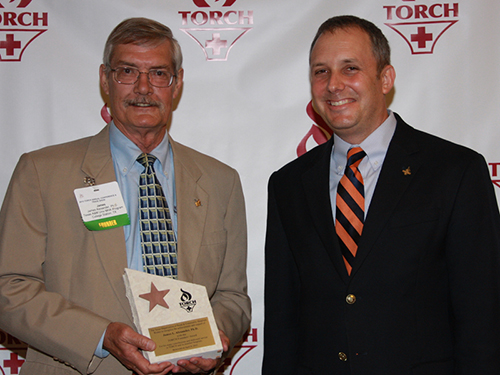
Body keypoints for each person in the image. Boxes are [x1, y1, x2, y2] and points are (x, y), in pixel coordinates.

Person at [0, 17, 251, 375]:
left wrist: (217, 334)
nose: (144, 88)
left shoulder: (220, 181)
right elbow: (9, 288)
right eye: (128, 72)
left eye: (159, 74)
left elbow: (232, 297)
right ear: (105, 79)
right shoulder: (42, 173)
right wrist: (101, 335)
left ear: (176, 84)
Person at [262, 15, 500, 375]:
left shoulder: (455, 171)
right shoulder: (288, 184)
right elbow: (283, 323)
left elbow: (484, 314)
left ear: (385, 78)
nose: (334, 85)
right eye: (321, 71)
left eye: (351, 68)